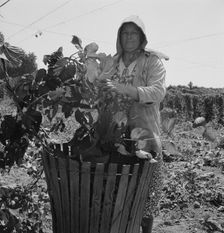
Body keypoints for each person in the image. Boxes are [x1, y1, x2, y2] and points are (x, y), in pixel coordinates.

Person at [103, 15, 168, 233]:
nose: (129, 37)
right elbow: (100, 88)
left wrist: (126, 89)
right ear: (119, 36)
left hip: (145, 135)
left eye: (134, 33)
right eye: (125, 32)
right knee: (116, 191)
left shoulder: (151, 61)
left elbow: (158, 92)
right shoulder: (112, 62)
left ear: (142, 37)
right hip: (114, 134)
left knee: (147, 192)